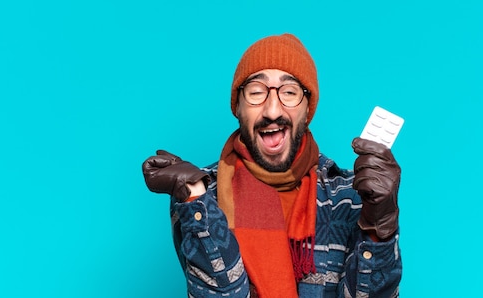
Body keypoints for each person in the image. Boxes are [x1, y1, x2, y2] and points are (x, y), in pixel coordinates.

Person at [142, 33, 402, 298]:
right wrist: (194, 196)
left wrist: (380, 224)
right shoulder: (202, 196)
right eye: (256, 92)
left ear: (307, 109)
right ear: (238, 106)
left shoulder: (351, 194)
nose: (272, 111)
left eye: (289, 93)